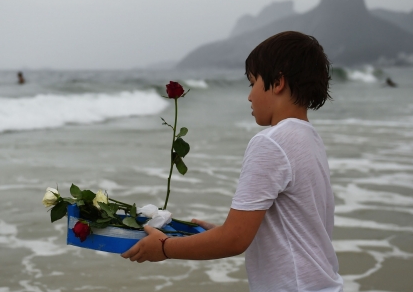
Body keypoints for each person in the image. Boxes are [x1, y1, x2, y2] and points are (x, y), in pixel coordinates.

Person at [122, 31, 344, 292]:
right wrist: (220, 232)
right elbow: (295, 228)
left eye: (253, 82)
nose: (250, 96)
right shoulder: (309, 138)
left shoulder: (270, 142)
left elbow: (234, 240)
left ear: (278, 82)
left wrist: (164, 248)